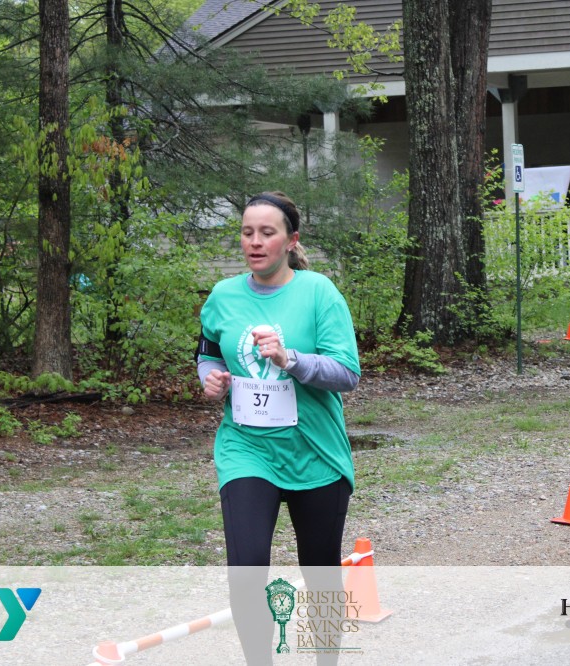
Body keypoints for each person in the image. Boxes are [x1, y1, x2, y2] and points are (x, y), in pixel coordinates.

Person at [196, 191, 360, 665]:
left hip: (315, 452)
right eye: (247, 232)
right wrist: (211, 378)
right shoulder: (223, 296)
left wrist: (291, 360)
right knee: (246, 572)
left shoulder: (319, 293)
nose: (255, 241)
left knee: (321, 574)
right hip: (246, 449)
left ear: (291, 240)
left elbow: (347, 373)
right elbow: (207, 352)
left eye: (267, 233)